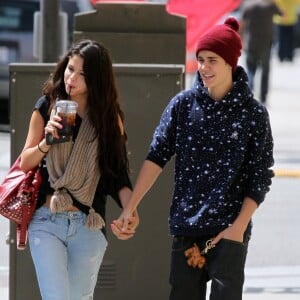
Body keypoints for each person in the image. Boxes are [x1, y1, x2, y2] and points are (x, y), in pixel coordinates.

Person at [111, 17, 274, 300]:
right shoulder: (183, 105)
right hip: (187, 230)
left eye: (212, 60)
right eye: (200, 59)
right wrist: (130, 207)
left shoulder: (253, 114)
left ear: (230, 63)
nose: (203, 67)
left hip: (228, 232)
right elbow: (157, 155)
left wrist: (237, 228)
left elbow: (260, 176)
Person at [20, 39, 139, 300]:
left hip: (88, 224)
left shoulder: (108, 119)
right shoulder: (47, 106)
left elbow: (117, 174)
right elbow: (25, 162)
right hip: (47, 219)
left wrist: (130, 212)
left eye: (82, 74)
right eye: (70, 68)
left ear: (97, 80)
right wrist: (46, 143)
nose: (72, 78)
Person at [239, 0, 282, 104]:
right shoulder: (270, 5)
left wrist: (240, 40)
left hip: (251, 43)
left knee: (250, 70)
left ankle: (249, 94)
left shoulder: (249, 6)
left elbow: (242, 24)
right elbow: (282, 14)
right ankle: (263, 97)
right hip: (266, 44)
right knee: (265, 71)